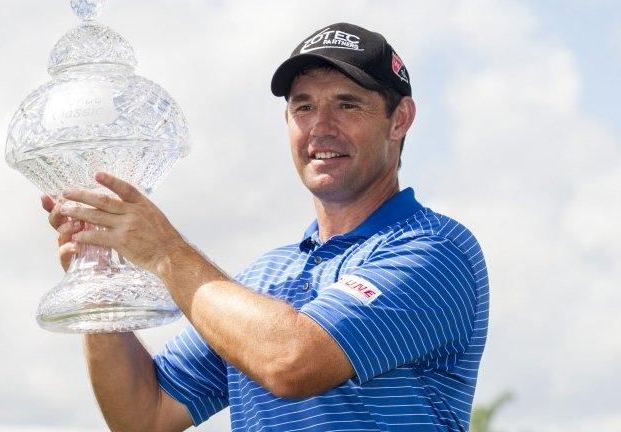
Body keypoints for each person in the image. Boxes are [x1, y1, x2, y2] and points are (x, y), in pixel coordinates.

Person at [41, 22, 489, 432]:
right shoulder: (264, 278)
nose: (321, 126)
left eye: (347, 105)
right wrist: (96, 287)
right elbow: (144, 414)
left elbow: (292, 361)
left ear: (401, 119)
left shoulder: (435, 250)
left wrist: (163, 252)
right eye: (304, 106)